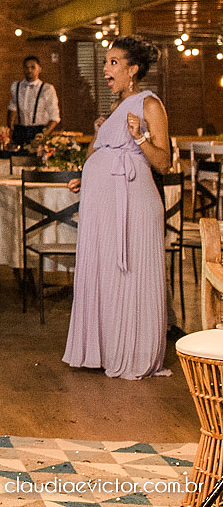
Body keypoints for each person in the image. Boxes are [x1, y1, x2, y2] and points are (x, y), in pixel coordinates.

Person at [64, 36, 171, 379]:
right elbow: (101, 150)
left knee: (130, 274)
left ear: (133, 69)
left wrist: (140, 138)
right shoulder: (114, 107)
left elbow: (165, 162)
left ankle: (134, 352)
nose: (106, 68)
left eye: (113, 63)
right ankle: (106, 349)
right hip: (103, 204)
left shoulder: (150, 104)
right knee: (106, 274)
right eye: (106, 62)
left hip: (134, 204)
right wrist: (86, 176)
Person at [7, 55, 60, 147]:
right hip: (20, 131)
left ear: (39, 69)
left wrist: (44, 135)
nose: (29, 70)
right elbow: (12, 108)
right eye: (26, 67)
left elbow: (54, 117)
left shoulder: (47, 89)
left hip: (38, 130)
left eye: (33, 67)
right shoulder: (16, 86)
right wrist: (10, 129)